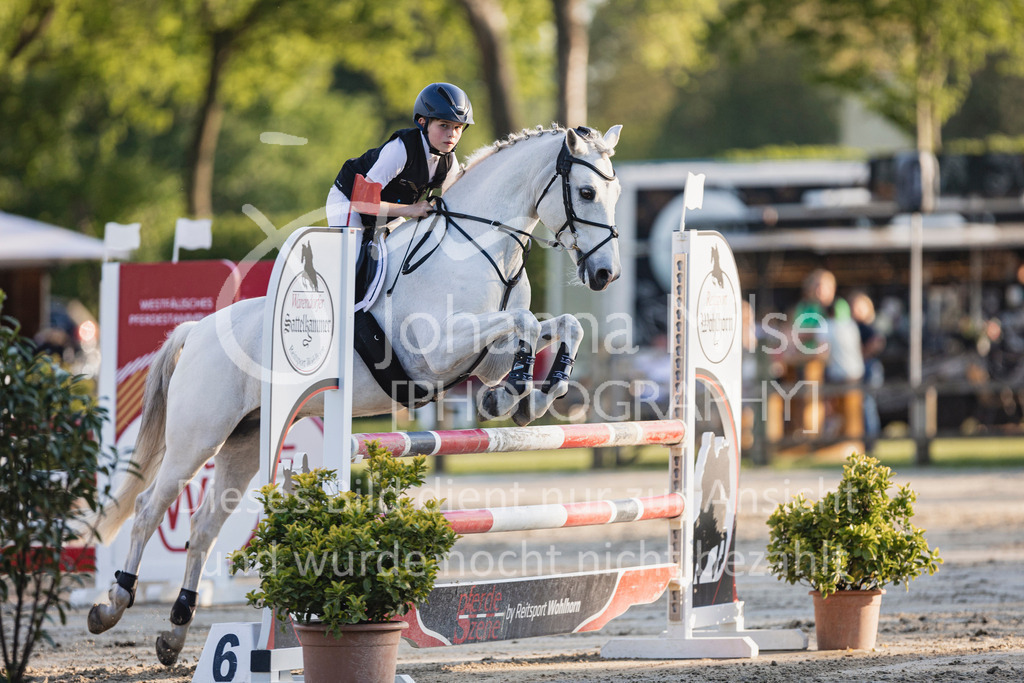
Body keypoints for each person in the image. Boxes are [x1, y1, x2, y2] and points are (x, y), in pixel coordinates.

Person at [326, 82, 473, 248]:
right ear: (423, 122)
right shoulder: (400, 149)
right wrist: (410, 209)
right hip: (349, 202)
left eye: (458, 127)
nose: (452, 134)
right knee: (352, 254)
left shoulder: (449, 162)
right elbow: (362, 203)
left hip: (387, 214)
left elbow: (456, 205)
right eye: (444, 125)